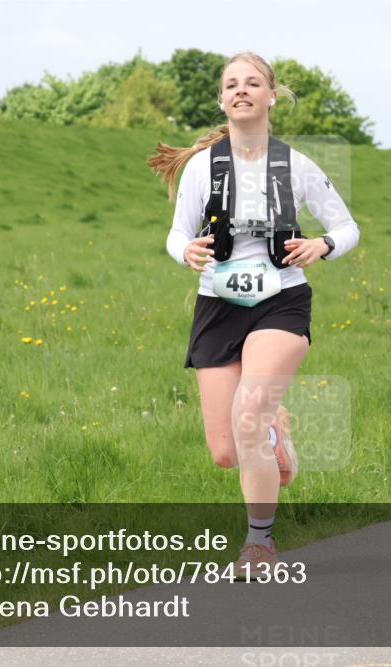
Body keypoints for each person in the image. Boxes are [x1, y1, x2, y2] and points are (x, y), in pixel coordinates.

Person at [148, 52, 360, 578]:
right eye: (231, 85)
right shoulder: (204, 166)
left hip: (281, 299)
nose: (241, 90)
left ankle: (259, 544)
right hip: (217, 303)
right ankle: (275, 431)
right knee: (226, 452)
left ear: (271, 97)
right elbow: (176, 233)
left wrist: (323, 245)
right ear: (222, 100)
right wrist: (186, 252)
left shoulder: (296, 165)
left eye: (252, 83)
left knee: (247, 415)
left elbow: (348, 227)